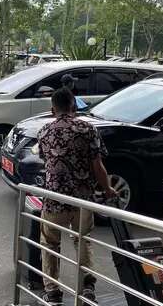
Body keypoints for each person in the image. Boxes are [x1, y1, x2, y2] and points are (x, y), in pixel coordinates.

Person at [37, 88, 118, 305]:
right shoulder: (88, 129)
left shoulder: (44, 131)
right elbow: (98, 166)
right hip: (82, 198)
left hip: (54, 200)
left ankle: (52, 292)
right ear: (74, 106)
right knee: (83, 239)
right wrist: (108, 189)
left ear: (53, 109)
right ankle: (87, 286)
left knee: (50, 243)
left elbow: (46, 161)